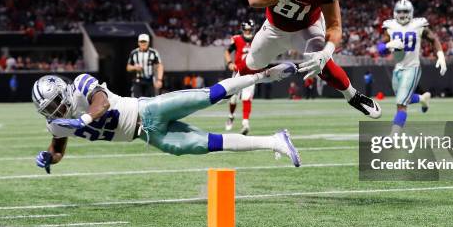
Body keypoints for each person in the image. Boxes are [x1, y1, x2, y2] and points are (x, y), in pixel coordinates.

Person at [32, 63, 301, 174]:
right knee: (207, 144)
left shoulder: (80, 83)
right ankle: (274, 141)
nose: (55, 111)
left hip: (147, 110)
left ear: (62, 90)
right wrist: (49, 158)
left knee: (207, 97)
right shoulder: (56, 123)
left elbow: (100, 102)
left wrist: (85, 120)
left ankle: (262, 74)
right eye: (48, 108)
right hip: (149, 135)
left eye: (55, 102)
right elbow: (57, 149)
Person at [242, 0, 381, 119]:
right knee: (251, 64)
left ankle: (353, 96)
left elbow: (334, 25)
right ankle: (226, 93)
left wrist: (327, 51)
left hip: (307, 26)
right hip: (274, 27)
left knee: (320, 61)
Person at [378, 0, 446, 133]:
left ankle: (393, 136)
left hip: (412, 68)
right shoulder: (390, 26)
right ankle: (423, 98)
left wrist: (441, 56)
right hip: (398, 69)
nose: (402, 15)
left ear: (411, 12)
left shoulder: (418, 24)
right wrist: (387, 45)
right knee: (403, 98)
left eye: (405, 11)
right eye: (400, 11)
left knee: (401, 104)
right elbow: (380, 49)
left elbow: (433, 39)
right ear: (394, 12)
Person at [224, 20, 256, 134]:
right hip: (238, 72)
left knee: (247, 98)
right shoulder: (237, 39)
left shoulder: (257, 39)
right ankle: (231, 116)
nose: (248, 32)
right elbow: (227, 52)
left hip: (251, 72)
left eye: (250, 30)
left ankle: (245, 123)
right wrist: (229, 63)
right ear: (243, 30)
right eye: (246, 30)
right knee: (233, 98)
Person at [127, 34, 163, 98]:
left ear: (148, 42)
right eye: (141, 42)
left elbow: (159, 66)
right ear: (138, 43)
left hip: (149, 80)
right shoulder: (134, 53)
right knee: (136, 100)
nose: (143, 44)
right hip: (137, 80)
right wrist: (134, 67)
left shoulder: (153, 52)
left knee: (150, 100)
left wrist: (159, 79)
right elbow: (128, 67)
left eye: (145, 42)